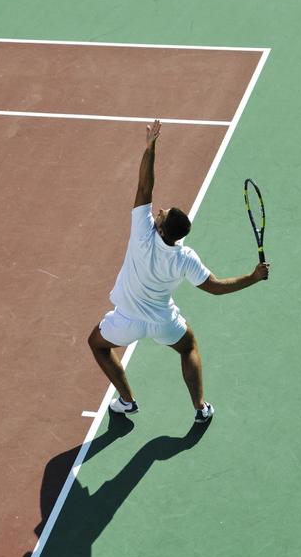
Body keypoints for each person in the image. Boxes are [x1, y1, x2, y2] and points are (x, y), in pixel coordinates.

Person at [88, 119, 270, 423]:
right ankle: (200, 408)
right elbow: (215, 287)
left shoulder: (142, 232)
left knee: (97, 345)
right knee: (188, 347)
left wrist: (151, 147)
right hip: (163, 322)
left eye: (162, 213)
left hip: (127, 320)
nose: (159, 210)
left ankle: (127, 400)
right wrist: (252, 278)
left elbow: (145, 185)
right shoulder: (184, 257)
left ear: (159, 226)